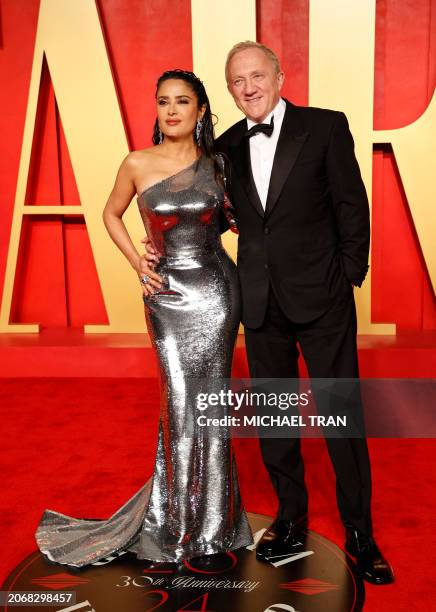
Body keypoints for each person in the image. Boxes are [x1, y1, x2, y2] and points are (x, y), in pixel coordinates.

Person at [141, 42, 394, 585]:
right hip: (257, 302)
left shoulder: (325, 127)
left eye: (257, 75)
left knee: (340, 418)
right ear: (228, 91)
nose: (249, 87)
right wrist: (154, 245)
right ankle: (292, 518)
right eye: (238, 81)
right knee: (276, 419)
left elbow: (352, 203)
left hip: (323, 299)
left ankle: (360, 532)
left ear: (279, 76)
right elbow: (204, 214)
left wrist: (348, 273)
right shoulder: (225, 148)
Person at [34, 69, 253, 567]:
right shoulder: (136, 162)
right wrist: (138, 261)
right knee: (179, 403)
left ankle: (215, 530)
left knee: (211, 402)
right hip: (167, 294)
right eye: (163, 101)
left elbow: (244, 222)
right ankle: (176, 524)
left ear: (201, 110)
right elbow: (111, 213)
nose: (171, 110)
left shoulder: (218, 163)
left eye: (182, 101)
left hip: (217, 291)